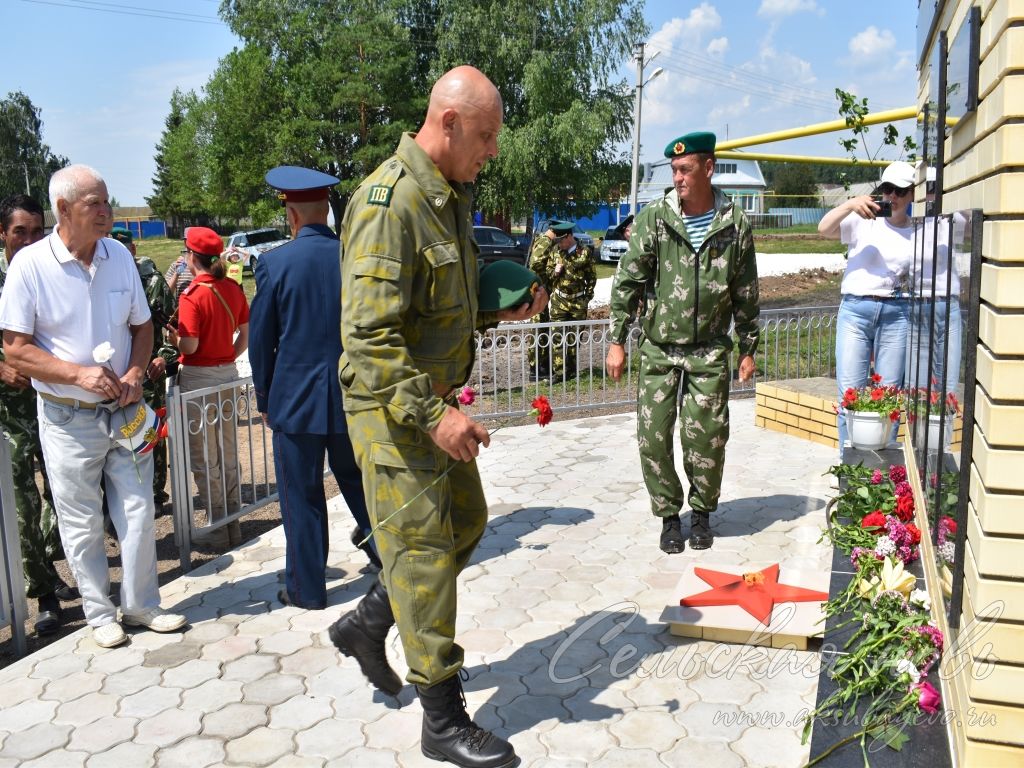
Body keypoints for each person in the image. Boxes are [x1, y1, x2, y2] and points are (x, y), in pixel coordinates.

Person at [333, 65, 547, 768]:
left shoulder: (448, 197)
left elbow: (433, 307)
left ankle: (370, 619)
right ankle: (442, 719)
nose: (491, 151)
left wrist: (496, 309)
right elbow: (369, 339)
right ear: (448, 122)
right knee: (423, 555)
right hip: (392, 412)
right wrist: (435, 415)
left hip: (425, 403)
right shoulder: (388, 203)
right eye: (485, 136)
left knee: (467, 522)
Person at [0, 165, 186, 648]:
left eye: (107, 201)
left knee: (140, 508)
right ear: (63, 210)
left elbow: (143, 328)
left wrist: (133, 373)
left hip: (125, 412)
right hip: (67, 417)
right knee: (80, 520)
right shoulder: (30, 266)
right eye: (94, 204)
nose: (106, 211)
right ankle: (100, 615)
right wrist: (77, 374)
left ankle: (143, 605)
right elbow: (16, 349)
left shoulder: (120, 258)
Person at [606, 131, 760, 554]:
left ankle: (703, 515)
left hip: (710, 349)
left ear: (708, 168)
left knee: (707, 438)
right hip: (659, 348)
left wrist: (748, 347)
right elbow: (629, 281)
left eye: (685, 170)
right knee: (653, 436)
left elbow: (746, 289)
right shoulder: (656, 218)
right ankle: (669, 517)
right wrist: (617, 340)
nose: (677, 178)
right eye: (673, 171)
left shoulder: (734, 223)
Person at [249, 165, 377, 610]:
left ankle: (308, 590)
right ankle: (394, 563)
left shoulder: (273, 264)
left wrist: (264, 397)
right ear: (326, 210)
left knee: (301, 498)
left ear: (292, 214)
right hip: (352, 395)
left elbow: (261, 338)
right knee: (363, 486)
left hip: (295, 401)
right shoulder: (353, 259)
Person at [0, 194, 77, 634]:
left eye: (36, 231)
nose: (29, 241)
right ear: (3, 235)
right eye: (19, 232)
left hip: (54, 405)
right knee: (24, 504)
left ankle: (46, 566)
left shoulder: (50, 274)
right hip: (9, 417)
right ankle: (44, 594)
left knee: (63, 496)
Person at [818, 160, 914, 458]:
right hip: (857, 310)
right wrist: (850, 204)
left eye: (900, 191)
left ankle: (886, 468)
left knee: (889, 393)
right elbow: (824, 229)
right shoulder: (863, 219)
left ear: (912, 194)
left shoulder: (916, 231)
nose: (892, 197)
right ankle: (850, 464)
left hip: (896, 311)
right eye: (887, 190)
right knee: (850, 391)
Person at [167, 226, 249, 548]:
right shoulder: (231, 288)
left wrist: (173, 338)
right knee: (228, 451)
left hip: (199, 379)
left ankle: (217, 526)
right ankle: (233, 523)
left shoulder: (192, 296)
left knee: (203, 456)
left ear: (191, 256)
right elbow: (245, 335)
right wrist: (226, 355)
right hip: (228, 376)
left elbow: (188, 346)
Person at [109, 227, 177, 507]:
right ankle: (123, 498)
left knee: (151, 432)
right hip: (112, 374)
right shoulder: (104, 279)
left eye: (123, 249)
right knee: (117, 437)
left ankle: (156, 493)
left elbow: (173, 326)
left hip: (148, 372)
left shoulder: (152, 281)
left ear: (133, 249)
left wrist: (164, 356)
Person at [530, 219, 596, 381]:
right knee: (557, 338)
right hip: (559, 302)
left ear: (569, 237)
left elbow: (592, 277)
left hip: (577, 302)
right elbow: (549, 275)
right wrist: (556, 272)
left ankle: (571, 372)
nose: (559, 244)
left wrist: (587, 297)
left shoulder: (585, 252)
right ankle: (559, 373)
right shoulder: (555, 252)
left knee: (573, 339)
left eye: (561, 241)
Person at [527, 221, 558, 379]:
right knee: (537, 329)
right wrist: (549, 273)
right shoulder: (545, 241)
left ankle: (543, 365)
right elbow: (536, 263)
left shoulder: (544, 241)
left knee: (543, 328)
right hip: (536, 292)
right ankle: (535, 367)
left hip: (540, 292)